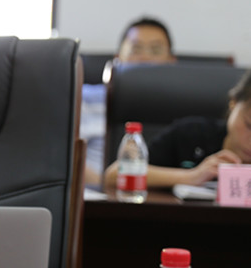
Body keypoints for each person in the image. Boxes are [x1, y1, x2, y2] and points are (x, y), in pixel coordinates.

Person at [104, 69, 251, 188]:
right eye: (249, 125)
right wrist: (193, 176)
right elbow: (114, 174)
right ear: (233, 103)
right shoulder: (191, 134)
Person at [82, 16, 176, 185]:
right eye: (135, 49)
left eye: (155, 51)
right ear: (117, 58)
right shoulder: (85, 99)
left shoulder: (185, 106)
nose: (144, 58)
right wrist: (105, 185)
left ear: (172, 62)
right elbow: (65, 154)